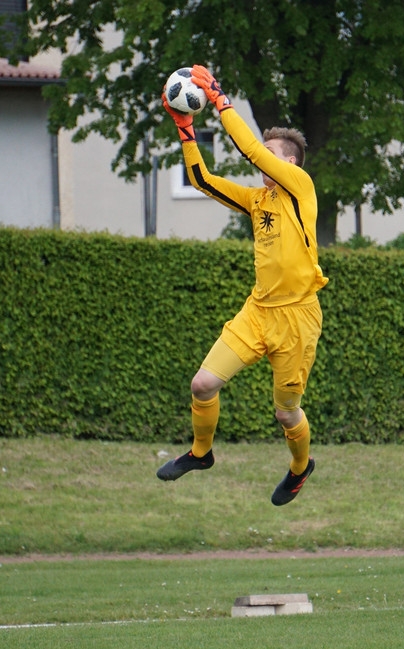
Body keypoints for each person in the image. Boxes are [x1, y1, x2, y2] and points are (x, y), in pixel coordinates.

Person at [157, 65, 328, 506]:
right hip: (257, 312)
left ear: (289, 163)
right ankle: (201, 453)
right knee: (201, 385)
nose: (260, 159)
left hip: (298, 318)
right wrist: (186, 131)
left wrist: (219, 99)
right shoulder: (258, 200)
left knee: (286, 412)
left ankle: (300, 468)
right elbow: (202, 181)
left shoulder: (300, 187)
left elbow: (249, 149)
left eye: (271, 153)